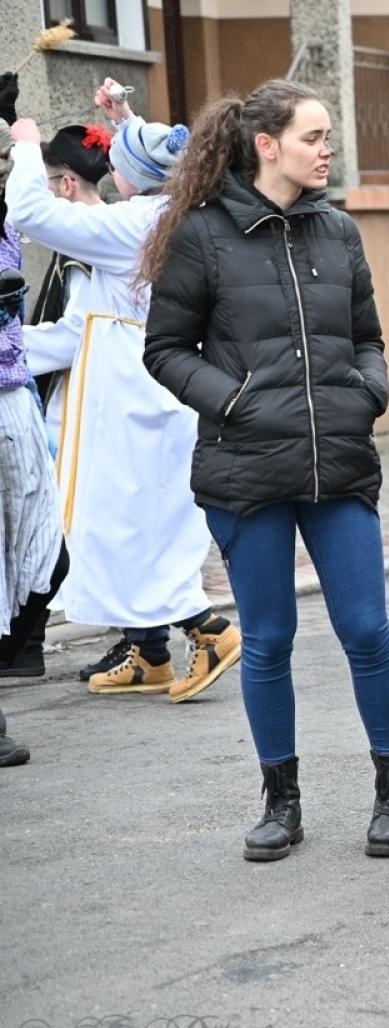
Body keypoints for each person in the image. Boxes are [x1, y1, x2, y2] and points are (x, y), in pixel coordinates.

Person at [141, 79, 389, 862]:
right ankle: (280, 799)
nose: (329, 149)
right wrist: (234, 403)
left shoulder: (339, 232)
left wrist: (371, 388)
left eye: (329, 137)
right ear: (267, 145)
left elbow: (367, 335)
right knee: (267, 639)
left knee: (366, 630)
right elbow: (165, 349)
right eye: (315, 137)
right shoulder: (201, 234)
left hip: (340, 462)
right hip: (247, 466)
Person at [5, 80, 240, 702]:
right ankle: (149, 650)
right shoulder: (176, 211)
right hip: (147, 385)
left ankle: (206, 629)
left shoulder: (132, 224)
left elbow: (30, 214)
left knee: (127, 522)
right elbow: (76, 328)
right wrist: (127, 118)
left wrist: (25, 146)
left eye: (117, 164)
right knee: (138, 519)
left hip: (131, 392)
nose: (108, 172)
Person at [0, 122, 110, 680]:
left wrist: (16, 348)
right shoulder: (101, 231)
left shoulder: (88, 243)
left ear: (65, 184)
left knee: (58, 526)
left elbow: (76, 334)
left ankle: (147, 637)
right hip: (50, 391)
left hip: (79, 396)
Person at [0, 111, 68, 763]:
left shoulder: (8, 226)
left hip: (11, 398)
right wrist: (23, 141)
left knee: (43, 549)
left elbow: (24, 205)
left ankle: (19, 650)